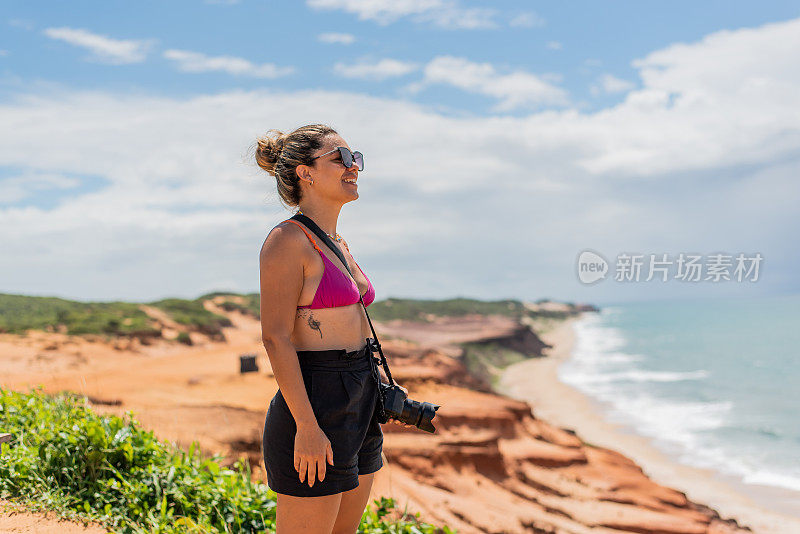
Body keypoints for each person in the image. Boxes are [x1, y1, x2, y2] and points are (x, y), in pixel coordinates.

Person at [255, 123, 410, 533]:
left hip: (360, 391)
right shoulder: (287, 240)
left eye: (355, 157)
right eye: (340, 157)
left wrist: (377, 382)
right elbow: (275, 337)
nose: (353, 166)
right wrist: (306, 426)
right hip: (318, 397)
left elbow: (355, 323)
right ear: (305, 172)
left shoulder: (336, 241)